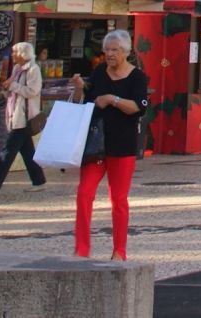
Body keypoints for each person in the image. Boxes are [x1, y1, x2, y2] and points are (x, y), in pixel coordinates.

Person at [71, 28, 148, 261]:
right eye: (107, 50)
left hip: (123, 146)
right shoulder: (99, 73)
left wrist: (112, 100)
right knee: (84, 193)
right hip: (96, 145)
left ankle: (119, 250)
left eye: (115, 50)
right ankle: (82, 248)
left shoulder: (137, 77)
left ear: (125, 52)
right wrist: (78, 87)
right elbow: (83, 104)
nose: (110, 54)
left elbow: (138, 107)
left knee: (119, 200)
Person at [0, 41, 46, 195]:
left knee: (7, 151)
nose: (12, 55)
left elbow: (32, 91)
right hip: (14, 113)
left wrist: (13, 86)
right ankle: (39, 180)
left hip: (23, 117)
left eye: (15, 52)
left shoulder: (33, 70)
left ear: (23, 54)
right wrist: (7, 90)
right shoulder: (17, 69)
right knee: (27, 151)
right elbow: (13, 86)